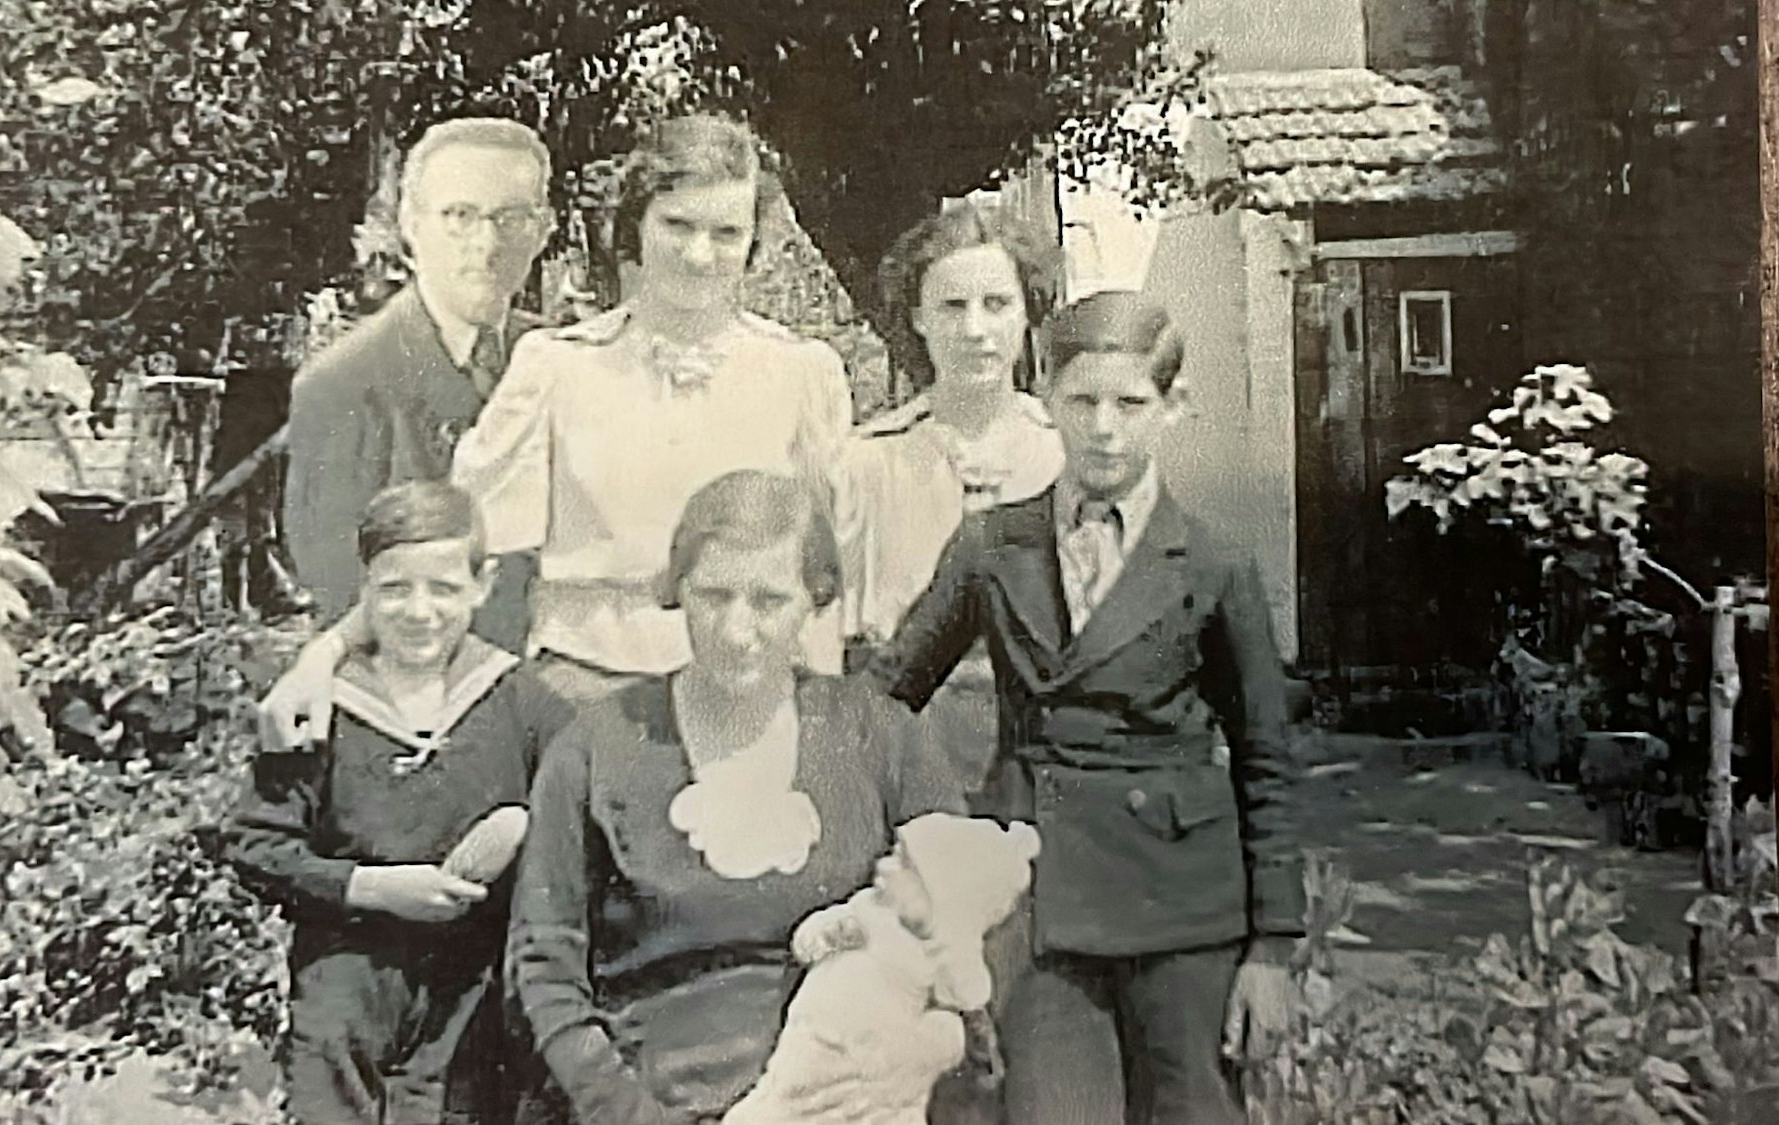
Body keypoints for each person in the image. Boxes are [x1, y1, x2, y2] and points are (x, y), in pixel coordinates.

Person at [262, 113, 856, 749]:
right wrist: (327, 654)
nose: (698, 254)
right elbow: (452, 546)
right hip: (585, 700)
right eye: (676, 225)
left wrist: (813, 720)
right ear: (634, 229)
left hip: (748, 701)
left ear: (753, 246)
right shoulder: (556, 368)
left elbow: (824, 575)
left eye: (725, 233)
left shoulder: (803, 375)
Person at [867, 292, 1307, 1125]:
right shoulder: (994, 544)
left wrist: (1273, 948)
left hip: (1183, 909)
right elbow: (888, 695)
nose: (1105, 427)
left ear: (1172, 409)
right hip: (1038, 895)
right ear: (1047, 396)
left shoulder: (1213, 564)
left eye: (1131, 403)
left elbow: (1266, 759)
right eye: (1082, 401)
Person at [507, 470, 970, 1124]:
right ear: (677, 592)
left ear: (814, 600)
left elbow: (972, 922)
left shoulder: (880, 736)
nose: (736, 628)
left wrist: (926, 1049)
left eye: (768, 599)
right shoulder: (596, 749)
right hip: (655, 1099)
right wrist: (632, 1115)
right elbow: (542, 969)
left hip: (850, 1098)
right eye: (713, 595)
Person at [226, 480, 573, 1125]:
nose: (420, 611)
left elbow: (582, 828)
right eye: (394, 588)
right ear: (364, 587)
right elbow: (254, 845)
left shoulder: (523, 703)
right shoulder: (322, 706)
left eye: (444, 588)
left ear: (483, 585)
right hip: (346, 980)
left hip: (473, 988)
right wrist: (373, 887)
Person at [283, 117, 556, 636]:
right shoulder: (343, 385)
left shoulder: (558, 361)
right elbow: (342, 591)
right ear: (411, 223)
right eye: (460, 215)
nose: (487, 242)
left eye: (512, 217)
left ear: (544, 229)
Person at [843, 201, 1067, 794]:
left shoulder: (1071, 459)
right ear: (917, 317)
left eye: (996, 305)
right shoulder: (867, 463)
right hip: (907, 759)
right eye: (952, 306)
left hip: (1048, 759)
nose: (975, 330)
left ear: (1028, 313)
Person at [723, 814, 1040, 1125]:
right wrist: (823, 934)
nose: (884, 866)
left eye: (903, 865)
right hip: (815, 1032)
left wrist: (950, 955)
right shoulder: (866, 907)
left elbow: (970, 997)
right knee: (781, 1102)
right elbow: (804, 942)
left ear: (942, 896)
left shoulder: (943, 953)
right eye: (893, 854)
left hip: (876, 1059)